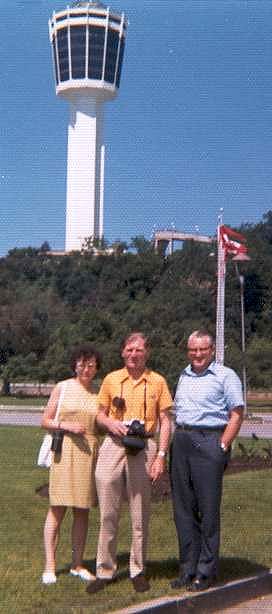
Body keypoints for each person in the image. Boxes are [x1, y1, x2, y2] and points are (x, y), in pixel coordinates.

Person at [86, 331, 172, 594]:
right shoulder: (112, 379)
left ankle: (138, 569)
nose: (134, 354)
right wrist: (109, 422)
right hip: (113, 443)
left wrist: (160, 456)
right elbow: (99, 414)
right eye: (129, 350)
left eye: (139, 350)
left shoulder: (157, 381)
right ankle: (105, 569)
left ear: (147, 353)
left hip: (144, 445)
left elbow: (166, 420)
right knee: (108, 512)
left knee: (140, 513)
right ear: (122, 352)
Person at [170, 330, 244, 592]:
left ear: (212, 350)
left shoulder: (226, 376)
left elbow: (236, 413)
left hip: (209, 441)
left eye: (202, 349)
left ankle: (206, 571)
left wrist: (222, 445)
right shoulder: (184, 375)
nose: (197, 354)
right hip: (182, 441)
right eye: (193, 350)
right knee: (183, 510)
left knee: (208, 510)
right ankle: (187, 569)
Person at [41, 343, 101, 585]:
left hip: (88, 455)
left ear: (97, 368)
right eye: (82, 363)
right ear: (74, 365)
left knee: (82, 510)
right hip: (64, 452)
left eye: (91, 365)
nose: (86, 368)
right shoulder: (62, 387)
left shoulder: (98, 393)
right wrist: (66, 426)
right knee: (57, 508)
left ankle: (77, 564)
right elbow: (44, 420)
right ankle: (50, 566)